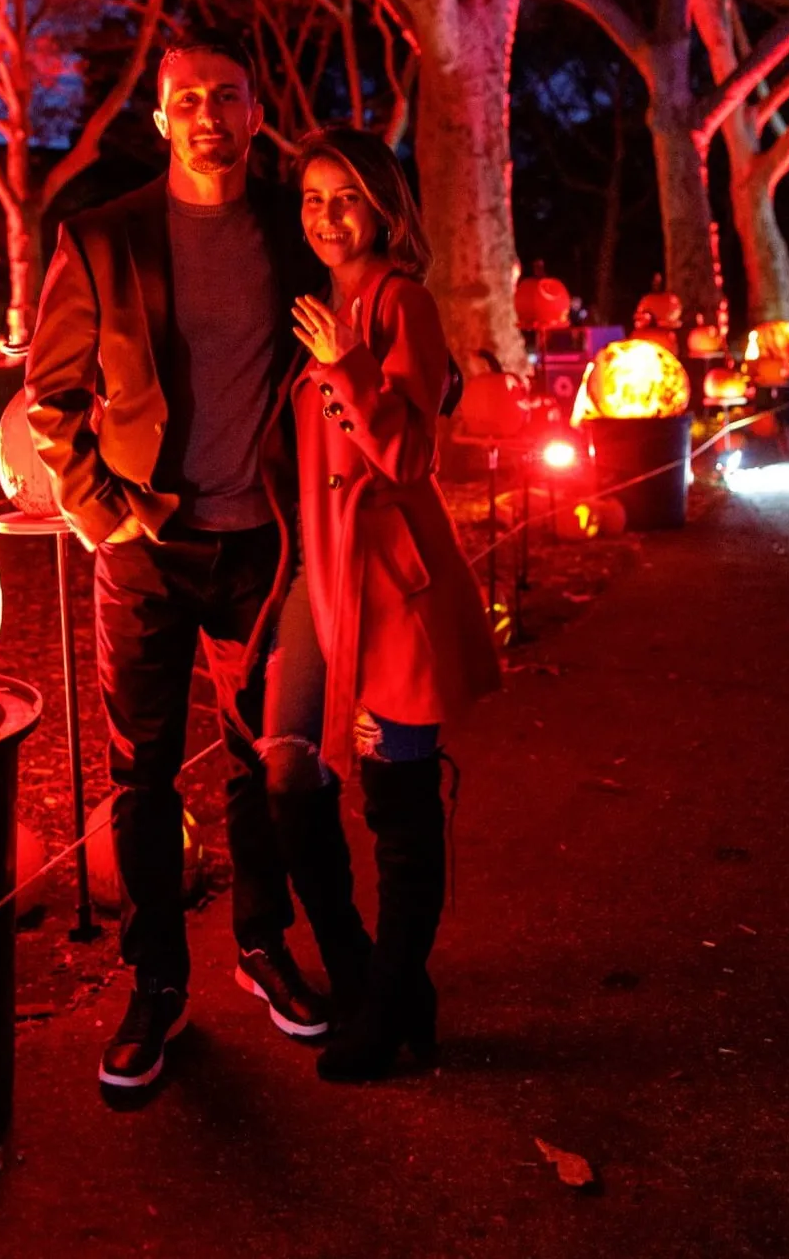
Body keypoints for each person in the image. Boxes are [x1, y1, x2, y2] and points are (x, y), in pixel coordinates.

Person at [24, 32, 325, 1096]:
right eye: (187, 99)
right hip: (145, 546)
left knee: (261, 762)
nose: (208, 114)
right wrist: (100, 513)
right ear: (161, 120)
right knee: (140, 775)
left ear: (255, 113)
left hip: (265, 543)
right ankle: (156, 982)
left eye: (227, 96)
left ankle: (261, 943)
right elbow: (50, 395)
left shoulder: (295, 227)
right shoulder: (102, 237)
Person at [261, 127, 500, 1083]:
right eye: (313, 199)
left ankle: (392, 999)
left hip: (390, 585)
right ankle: (365, 972)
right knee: (289, 772)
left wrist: (350, 361)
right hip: (316, 578)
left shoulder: (403, 302)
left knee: (396, 803)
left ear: (383, 208)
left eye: (347, 197)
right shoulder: (316, 302)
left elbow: (407, 457)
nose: (328, 216)